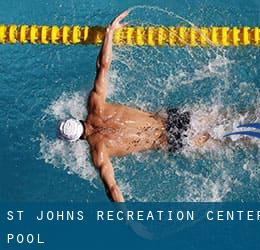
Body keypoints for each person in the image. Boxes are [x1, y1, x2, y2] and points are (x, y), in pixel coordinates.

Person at [58, 11, 210, 202]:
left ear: (76, 140)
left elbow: (112, 189)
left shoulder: (99, 152)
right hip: (172, 118)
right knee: (226, 118)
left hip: (171, 140)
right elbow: (103, 66)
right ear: (76, 119)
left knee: (228, 141)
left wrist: (130, 222)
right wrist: (109, 33)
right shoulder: (95, 105)